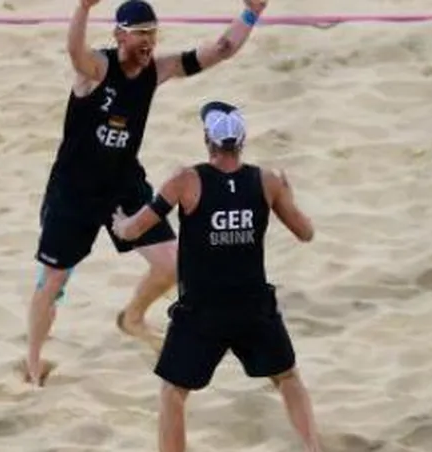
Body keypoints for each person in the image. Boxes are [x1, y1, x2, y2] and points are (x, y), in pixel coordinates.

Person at [24, 0, 270, 386]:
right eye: (140, 33)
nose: (148, 41)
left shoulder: (157, 70)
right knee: (52, 282)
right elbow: (74, 51)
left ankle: (132, 317)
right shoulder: (97, 70)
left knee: (172, 265)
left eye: (152, 33)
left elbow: (221, 50)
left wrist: (252, 13)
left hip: (123, 185)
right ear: (120, 34)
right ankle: (33, 362)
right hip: (74, 191)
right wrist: (84, 8)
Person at [111, 101, 342, 452]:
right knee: (288, 378)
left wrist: (120, 223)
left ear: (208, 141)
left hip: (202, 311)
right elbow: (306, 233)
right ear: (242, 141)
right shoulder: (267, 181)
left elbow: (135, 230)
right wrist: (289, 193)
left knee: (173, 395)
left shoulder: (186, 180)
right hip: (253, 306)